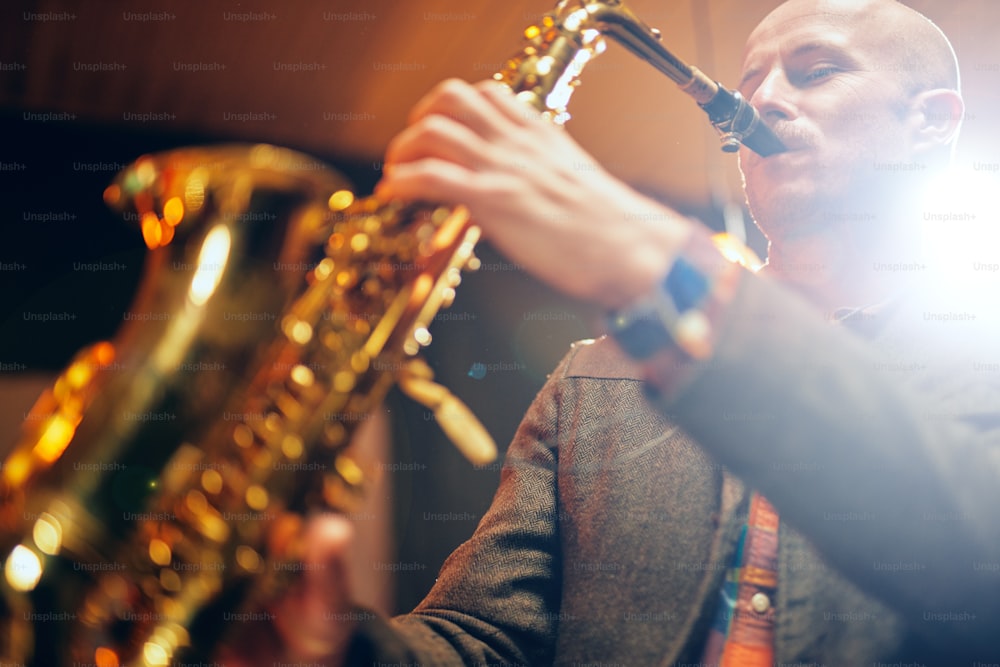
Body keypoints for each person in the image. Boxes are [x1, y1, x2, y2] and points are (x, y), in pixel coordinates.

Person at [222, 0, 1000, 664]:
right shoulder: (591, 375)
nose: (760, 101)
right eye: (753, 79)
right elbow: (484, 634)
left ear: (931, 122)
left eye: (816, 70)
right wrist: (336, 643)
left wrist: (659, 266)